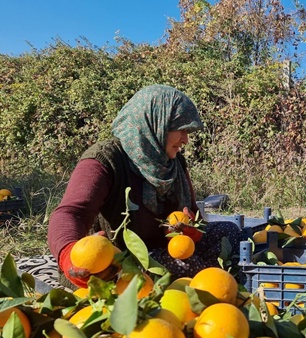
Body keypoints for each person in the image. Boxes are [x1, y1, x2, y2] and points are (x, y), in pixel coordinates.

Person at [48, 84, 241, 289]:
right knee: (185, 267)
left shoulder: (173, 163)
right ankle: (214, 286)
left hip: (167, 249)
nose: (185, 139)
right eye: (181, 130)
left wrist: (191, 230)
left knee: (227, 230)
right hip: (119, 262)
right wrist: (69, 256)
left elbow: (194, 215)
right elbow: (71, 213)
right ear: (157, 123)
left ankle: (212, 281)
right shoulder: (106, 160)